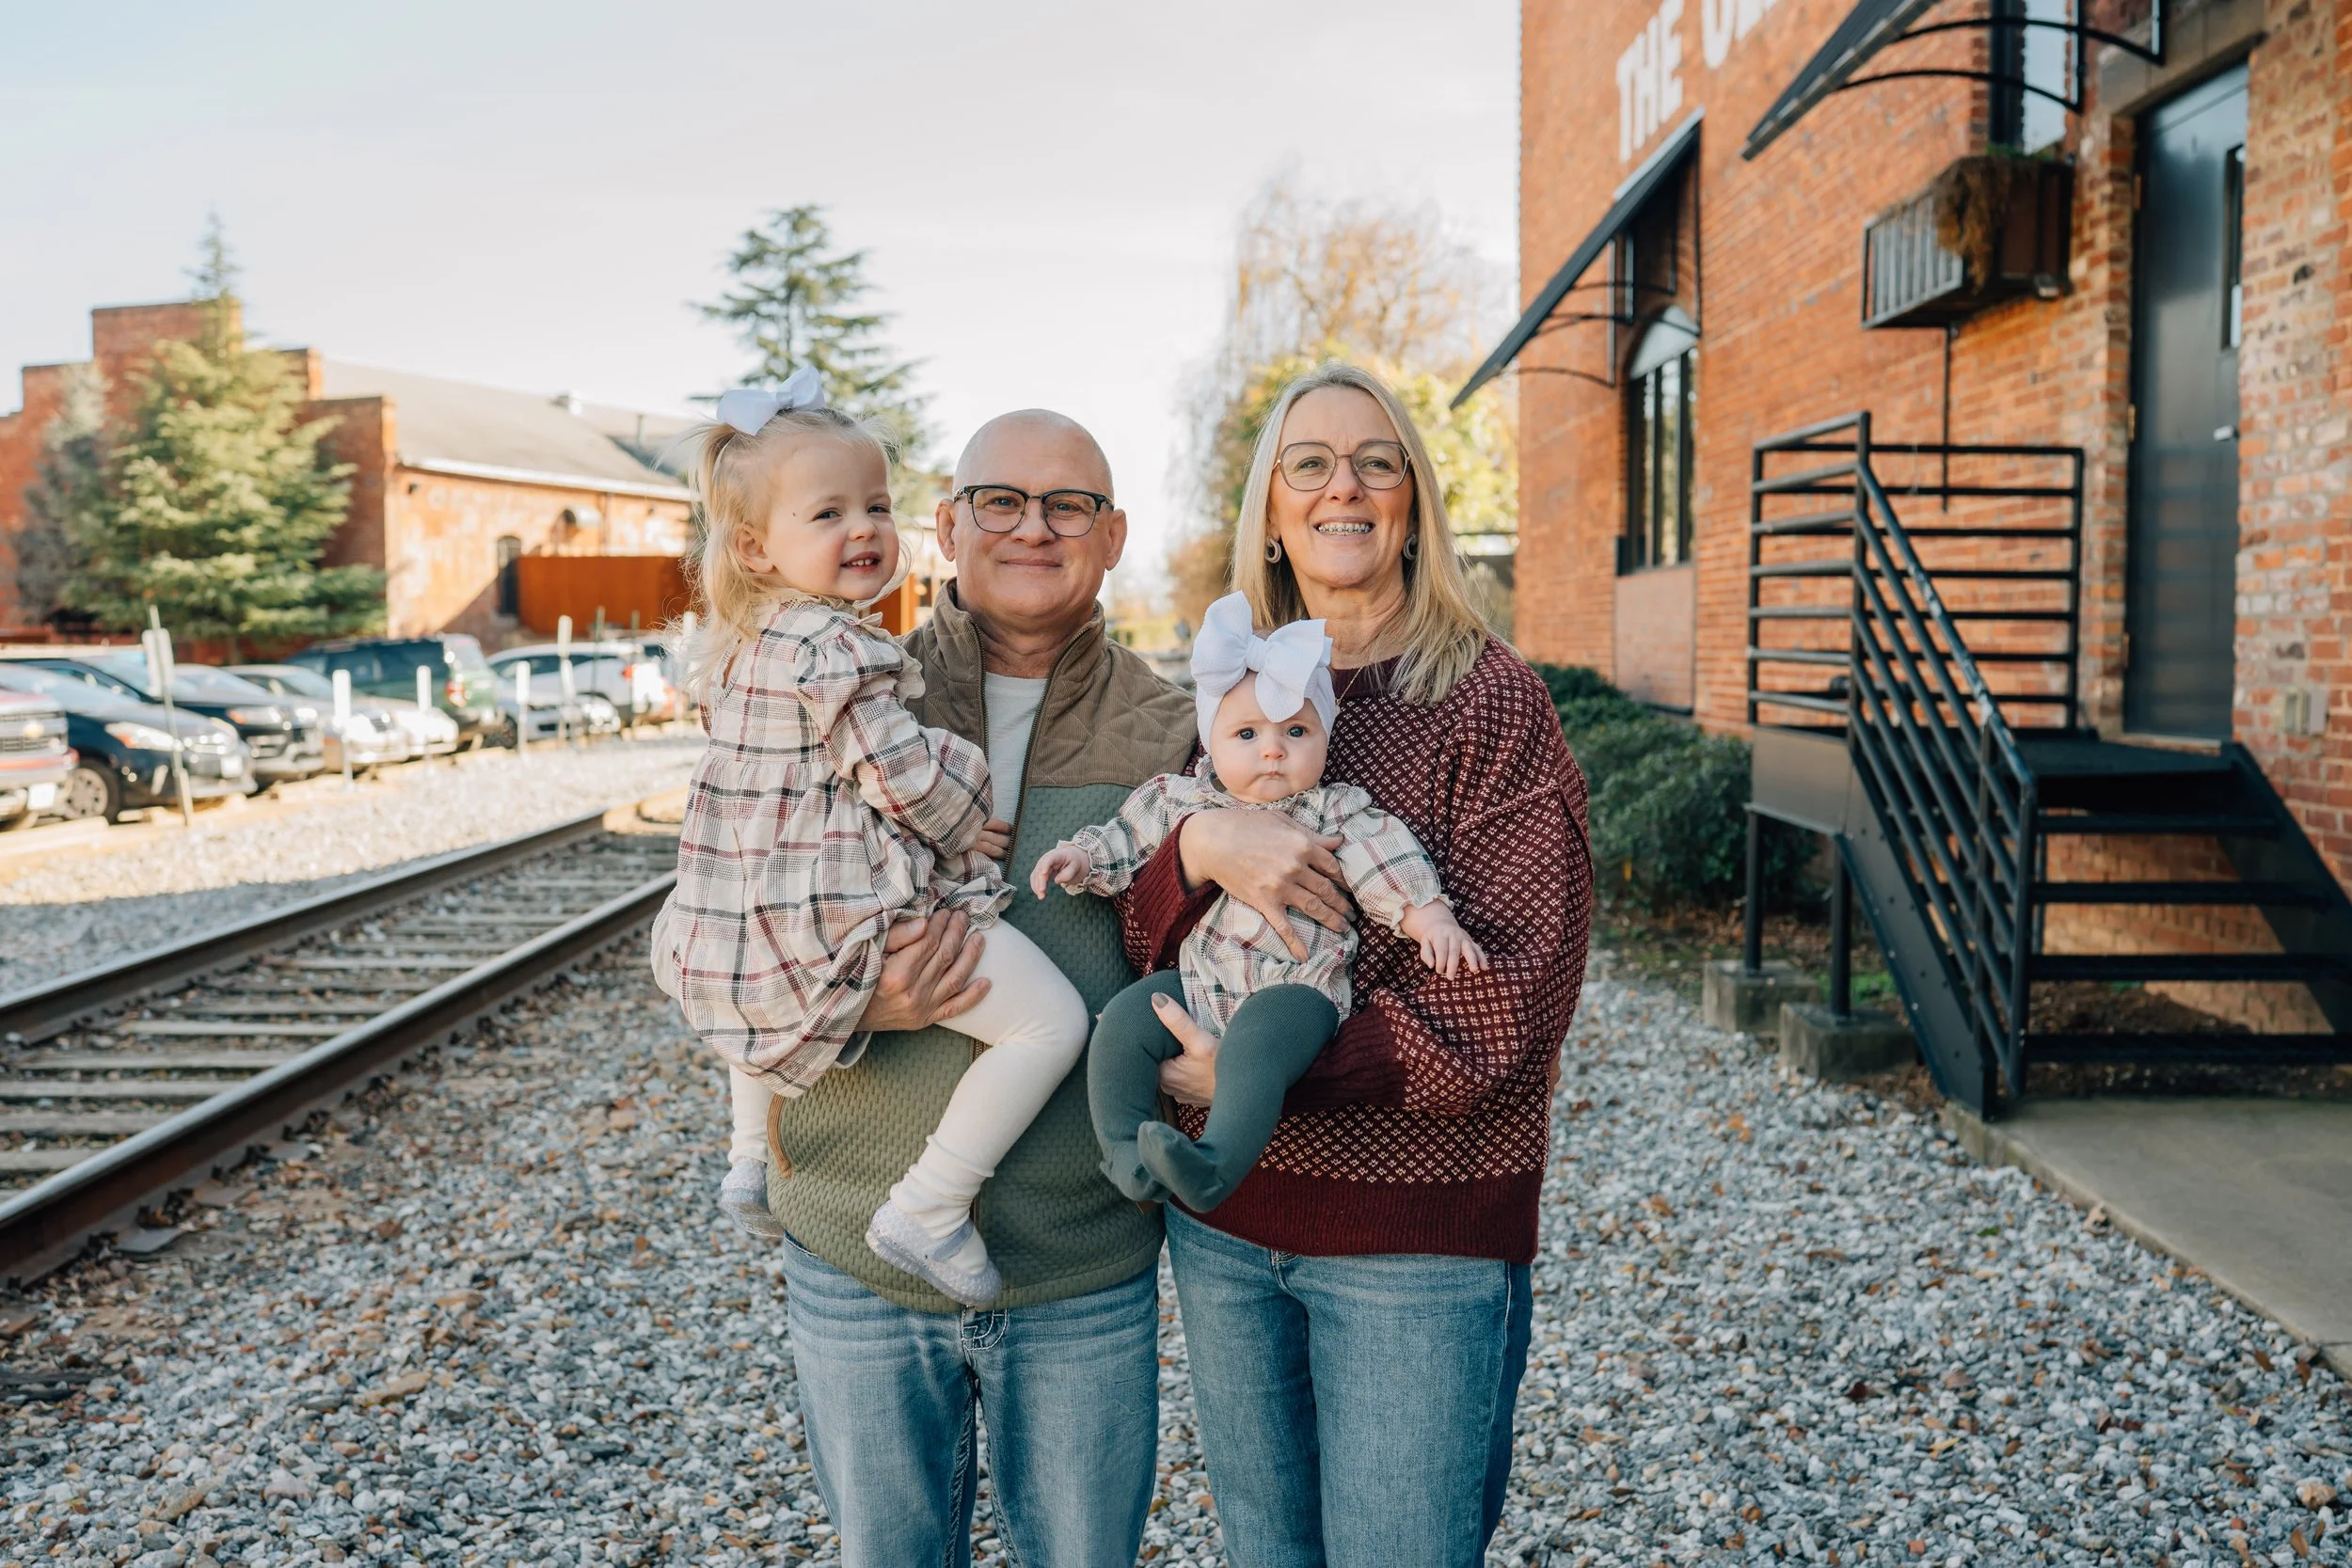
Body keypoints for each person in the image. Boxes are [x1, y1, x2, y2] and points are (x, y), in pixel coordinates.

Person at [1120, 362, 1595, 1567]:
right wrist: (1196, 847)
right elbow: (1146, 928)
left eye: (1377, 460)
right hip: (1230, 1228)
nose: (1346, 485)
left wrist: (1259, 1073)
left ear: (1414, 503)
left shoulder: (1489, 700)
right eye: (1311, 462)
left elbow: (1513, 993)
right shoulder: (1225, 699)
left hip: (1415, 1241)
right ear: (1272, 511)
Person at [752, 407, 1197, 1568]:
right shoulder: (841, 690)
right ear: (946, 526)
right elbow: (703, 929)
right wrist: (855, 998)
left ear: (1113, 538)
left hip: (1080, 1264)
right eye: (1000, 499)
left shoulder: (1178, 730)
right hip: (855, 1245)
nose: (1032, 528)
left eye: (1069, 505)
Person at [650, 372, 1090, 1309]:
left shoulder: (738, 651)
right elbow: (905, 782)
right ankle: (930, 1204)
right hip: (843, 915)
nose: (862, 528)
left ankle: (743, 1158)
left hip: (740, 919)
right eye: (829, 512)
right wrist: (968, 798)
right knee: (1050, 1021)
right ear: (755, 544)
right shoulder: (840, 652)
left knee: (743, 962)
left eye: (876, 505)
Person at [1031, 590, 1486, 1212]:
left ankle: (1214, 1164)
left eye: (1296, 730)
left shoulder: (1334, 809)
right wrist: (1082, 858)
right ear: (1210, 737)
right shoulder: (1180, 798)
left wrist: (1427, 912)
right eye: (1246, 732)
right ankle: (1125, 1154)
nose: (1272, 748)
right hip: (1201, 981)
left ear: (1325, 736)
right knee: (1126, 1020)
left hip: (1296, 989)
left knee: (1255, 1046)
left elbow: (1386, 856)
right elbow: (1124, 841)